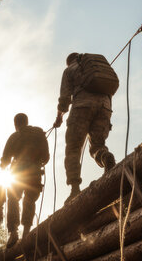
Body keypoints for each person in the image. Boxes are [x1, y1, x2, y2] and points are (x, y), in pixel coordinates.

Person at [53, 52, 116, 204]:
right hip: (105, 107)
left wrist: (59, 117)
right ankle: (105, 157)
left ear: (68, 62)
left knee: (73, 147)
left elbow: (64, 99)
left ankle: (75, 189)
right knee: (97, 146)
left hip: (82, 106)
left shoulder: (69, 70)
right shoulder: (95, 68)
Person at [0, 113, 49, 247]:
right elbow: (46, 157)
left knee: (13, 198)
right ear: (27, 122)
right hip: (35, 172)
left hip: (17, 172)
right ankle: (26, 231)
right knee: (29, 199)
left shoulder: (14, 136)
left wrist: (3, 165)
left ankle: (13, 232)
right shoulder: (39, 133)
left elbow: (5, 159)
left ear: (16, 124)